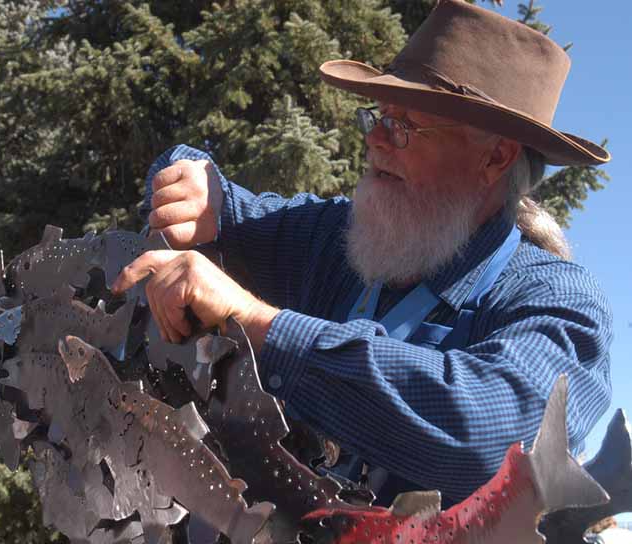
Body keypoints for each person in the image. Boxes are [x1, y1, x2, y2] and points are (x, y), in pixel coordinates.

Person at [112, 0, 612, 506]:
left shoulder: (558, 299)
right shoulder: (338, 237)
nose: (373, 139)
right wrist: (194, 183)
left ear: (496, 157)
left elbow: (494, 443)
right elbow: (215, 195)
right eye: (378, 116)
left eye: (404, 125)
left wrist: (260, 324)